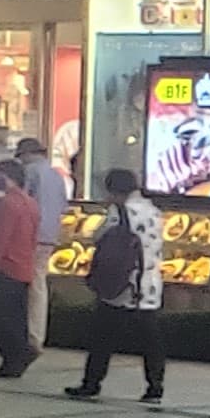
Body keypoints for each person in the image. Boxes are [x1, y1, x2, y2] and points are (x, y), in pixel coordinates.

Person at [66, 169, 166, 404]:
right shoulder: (153, 210)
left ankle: (91, 383)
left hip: (121, 283)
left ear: (114, 191)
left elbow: (100, 236)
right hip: (149, 283)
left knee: (102, 336)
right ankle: (155, 386)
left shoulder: (119, 212)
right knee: (151, 339)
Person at [0, 161, 38, 378]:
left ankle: (17, 354)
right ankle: (17, 356)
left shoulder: (8, 203)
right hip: (24, 266)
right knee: (17, 316)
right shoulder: (31, 203)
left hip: (6, 266)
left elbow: (1, 237)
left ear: (7, 176)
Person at [16, 136, 63, 355]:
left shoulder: (30, 172)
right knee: (38, 285)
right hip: (50, 235)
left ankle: (29, 337)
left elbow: (22, 202)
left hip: (31, 235)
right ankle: (36, 336)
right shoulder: (56, 175)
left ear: (28, 155)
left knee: (26, 286)